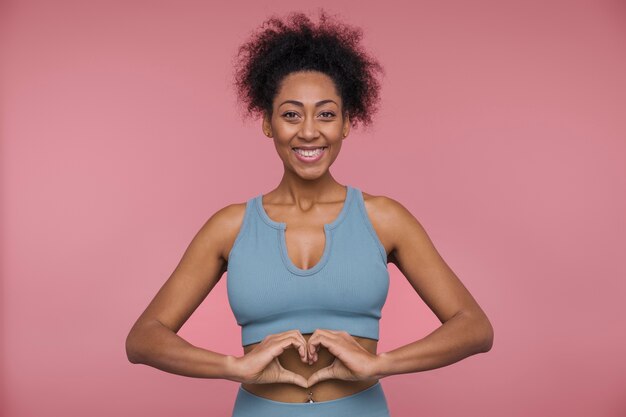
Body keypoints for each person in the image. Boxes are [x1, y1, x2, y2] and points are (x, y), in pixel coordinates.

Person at [125, 9, 494, 417]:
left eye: (326, 113)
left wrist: (380, 363)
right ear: (267, 123)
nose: (309, 131)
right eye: (290, 114)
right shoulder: (229, 227)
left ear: (347, 122)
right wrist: (233, 367)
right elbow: (143, 339)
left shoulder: (384, 218)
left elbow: (475, 328)